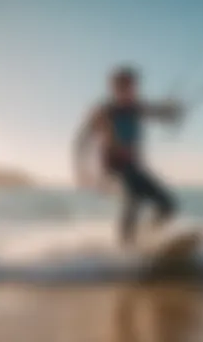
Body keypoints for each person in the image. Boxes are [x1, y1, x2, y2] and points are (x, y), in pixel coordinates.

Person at [73, 66, 184, 245]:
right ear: (115, 89)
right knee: (134, 198)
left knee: (168, 205)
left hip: (133, 168)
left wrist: (172, 112)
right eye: (124, 87)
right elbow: (81, 141)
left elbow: (158, 113)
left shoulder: (136, 108)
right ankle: (126, 247)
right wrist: (81, 171)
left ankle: (149, 238)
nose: (130, 91)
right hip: (113, 168)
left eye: (132, 87)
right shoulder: (104, 111)